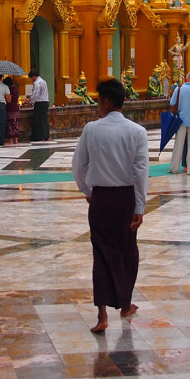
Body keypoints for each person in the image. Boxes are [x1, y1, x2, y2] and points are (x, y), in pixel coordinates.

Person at [72, 78, 147, 334]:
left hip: (101, 200)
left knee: (102, 254)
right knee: (127, 251)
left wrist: (88, 190)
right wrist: (139, 206)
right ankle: (124, 303)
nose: (97, 107)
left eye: (98, 102)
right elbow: (141, 172)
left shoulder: (91, 130)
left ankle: (102, 315)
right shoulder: (137, 132)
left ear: (105, 101)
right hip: (126, 199)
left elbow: (79, 166)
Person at [27, 69, 50, 142]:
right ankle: (46, 135)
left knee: (39, 120)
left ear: (34, 76)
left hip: (40, 103)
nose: (31, 80)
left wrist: (31, 102)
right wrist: (31, 98)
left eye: (31, 78)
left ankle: (40, 136)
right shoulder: (43, 81)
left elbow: (36, 94)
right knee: (44, 119)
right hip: (45, 102)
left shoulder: (37, 83)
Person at [4, 76, 21, 145]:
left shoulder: (9, 89)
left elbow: (9, 100)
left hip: (10, 108)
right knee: (15, 124)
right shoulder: (16, 89)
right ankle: (16, 140)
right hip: (16, 108)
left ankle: (11, 140)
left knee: (10, 124)